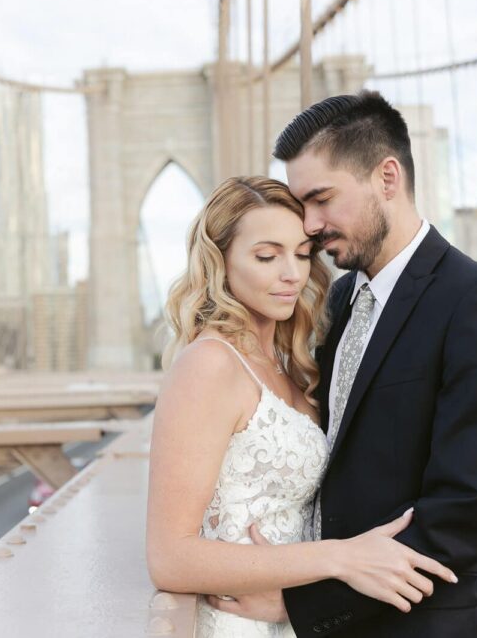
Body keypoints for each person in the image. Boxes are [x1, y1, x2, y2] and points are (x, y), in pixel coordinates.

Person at [207, 91, 477, 637]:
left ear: (387, 178)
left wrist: (301, 603)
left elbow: (466, 509)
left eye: (322, 199)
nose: (308, 224)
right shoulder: (336, 303)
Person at [146, 176, 457, 638]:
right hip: (237, 622)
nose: (291, 273)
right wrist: (341, 557)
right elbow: (170, 557)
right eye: (267, 256)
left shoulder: (291, 364)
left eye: (302, 253)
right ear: (219, 262)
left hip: (289, 616)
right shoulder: (209, 366)